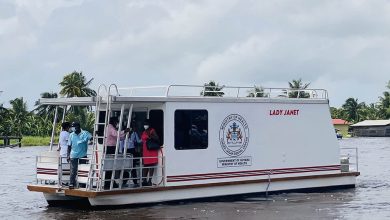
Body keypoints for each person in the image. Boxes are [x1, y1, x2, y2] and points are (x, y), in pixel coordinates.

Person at [104, 117, 129, 188]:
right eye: (116, 122)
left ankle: (111, 182)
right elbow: (115, 134)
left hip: (113, 148)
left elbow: (118, 137)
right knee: (110, 167)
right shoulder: (109, 127)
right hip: (110, 148)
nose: (117, 123)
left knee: (112, 167)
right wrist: (124, 131)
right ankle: (107, 184)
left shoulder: (112, 128)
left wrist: (125, 134)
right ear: (113, 122)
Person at [67, 122, 92, 189]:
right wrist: (68, 155)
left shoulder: (85, 133)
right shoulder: (71, 135)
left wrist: (90, 140)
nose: (72, 128)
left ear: (78, 126)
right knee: (73, 170)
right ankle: (72, 183)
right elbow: (69, 146)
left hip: (82, 155)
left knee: (83, 170)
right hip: (73, 155)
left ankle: (82, 184)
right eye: (72, 127)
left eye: (73, 127)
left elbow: (92, 138)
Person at [141, 119, 160, 186]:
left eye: (146, 124)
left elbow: (157, 138)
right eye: (144, 124)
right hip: (146, 151)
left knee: (151, 165)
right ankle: (144, 180)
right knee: (145, 165)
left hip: (151, 150)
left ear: (149, 124)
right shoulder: (144, 131)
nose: (145, 125)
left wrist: (150, 136)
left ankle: (150, 180)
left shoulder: (152, 130)